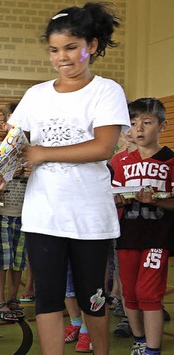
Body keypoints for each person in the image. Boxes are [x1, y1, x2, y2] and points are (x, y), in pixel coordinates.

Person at [0, 3, 130, 354]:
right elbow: (15, 143)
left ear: (91, 46)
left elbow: (103, 147)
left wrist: (44, 153)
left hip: (89, 216)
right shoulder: (36, 95)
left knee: (91, 295)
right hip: (43, 214)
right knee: (47, 295)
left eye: (70, 47)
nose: (61, 57)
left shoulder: (107, 91)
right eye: (54, 49)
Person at [111, 98, 174, 355]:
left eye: (147, 122)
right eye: (134, 123)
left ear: (162, 126)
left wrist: (159, 202)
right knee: (130, 294)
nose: (139, 129)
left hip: (157, 237)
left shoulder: (170, 161)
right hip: (127, 236)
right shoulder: (119, 162)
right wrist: (116, 200)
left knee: (149, 294)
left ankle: (152, 349)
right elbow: (110, 198)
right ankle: (139, 339)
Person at [0, 101, 29, 324]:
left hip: (24, 214)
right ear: (6, 125)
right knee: (1, 260)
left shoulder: (31, 152)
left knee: (18, 260)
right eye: (15, 123)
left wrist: (28, 171)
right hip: (1, 212)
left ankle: (13, 299)